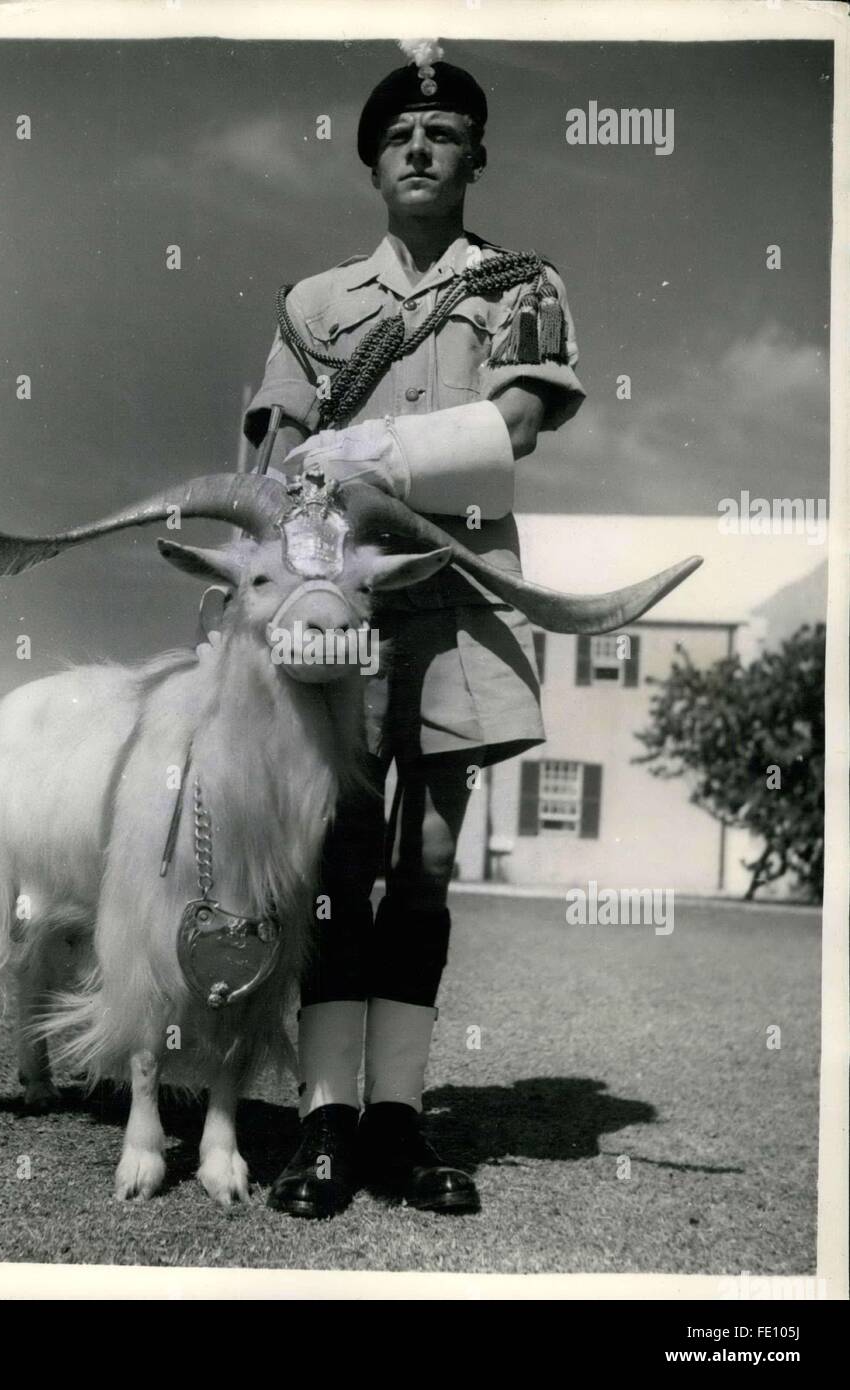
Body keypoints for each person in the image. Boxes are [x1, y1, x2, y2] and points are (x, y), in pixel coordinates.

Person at [241, 42, 586, 1218]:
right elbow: (270, 462)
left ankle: (398, 1120)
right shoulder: (316, 304)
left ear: (475, 156)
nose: (422, 148)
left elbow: (516, 428)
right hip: (342, 608)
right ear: (375, 166)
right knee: (338, 864)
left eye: (442, 136)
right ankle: (326, 1122)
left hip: (462, 599)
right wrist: (303, 495)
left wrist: (370, 452)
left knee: (425, 867)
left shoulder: (522, 285)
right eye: (400, 139)